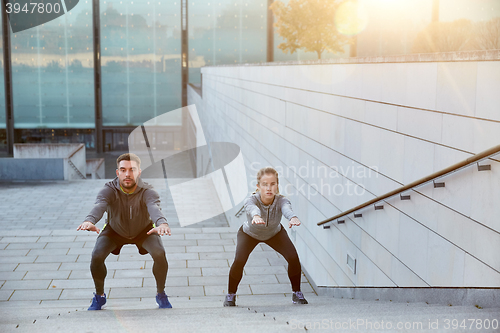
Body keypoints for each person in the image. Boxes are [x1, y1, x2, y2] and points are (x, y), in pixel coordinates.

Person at [77, 153, 172, 310]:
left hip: (144, 231)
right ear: (117, 172)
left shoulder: (147, 190)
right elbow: (100, 205)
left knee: (159, 254)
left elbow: (154, 207)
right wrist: (90, 221)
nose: (127, 174)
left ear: (139, 172)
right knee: (97, 255)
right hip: (114, 230)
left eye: (132, 170)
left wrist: (162, 223)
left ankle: (161, 293)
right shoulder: (109, 189)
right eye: (123, 170)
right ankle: (99, 296)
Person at [224, 166, 308, 306]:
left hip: (274, 233)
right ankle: (230, 295)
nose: (269, 188)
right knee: (239, 260)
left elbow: (287, 209)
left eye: (273, 184)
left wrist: (292, 217)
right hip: (249, 234)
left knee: (293, 258)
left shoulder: (282, 200)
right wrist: (256, 216)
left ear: (277, 185)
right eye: (265, 184)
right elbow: (252, 208)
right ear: (258, 186)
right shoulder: (251, 200)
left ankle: (296, 293)